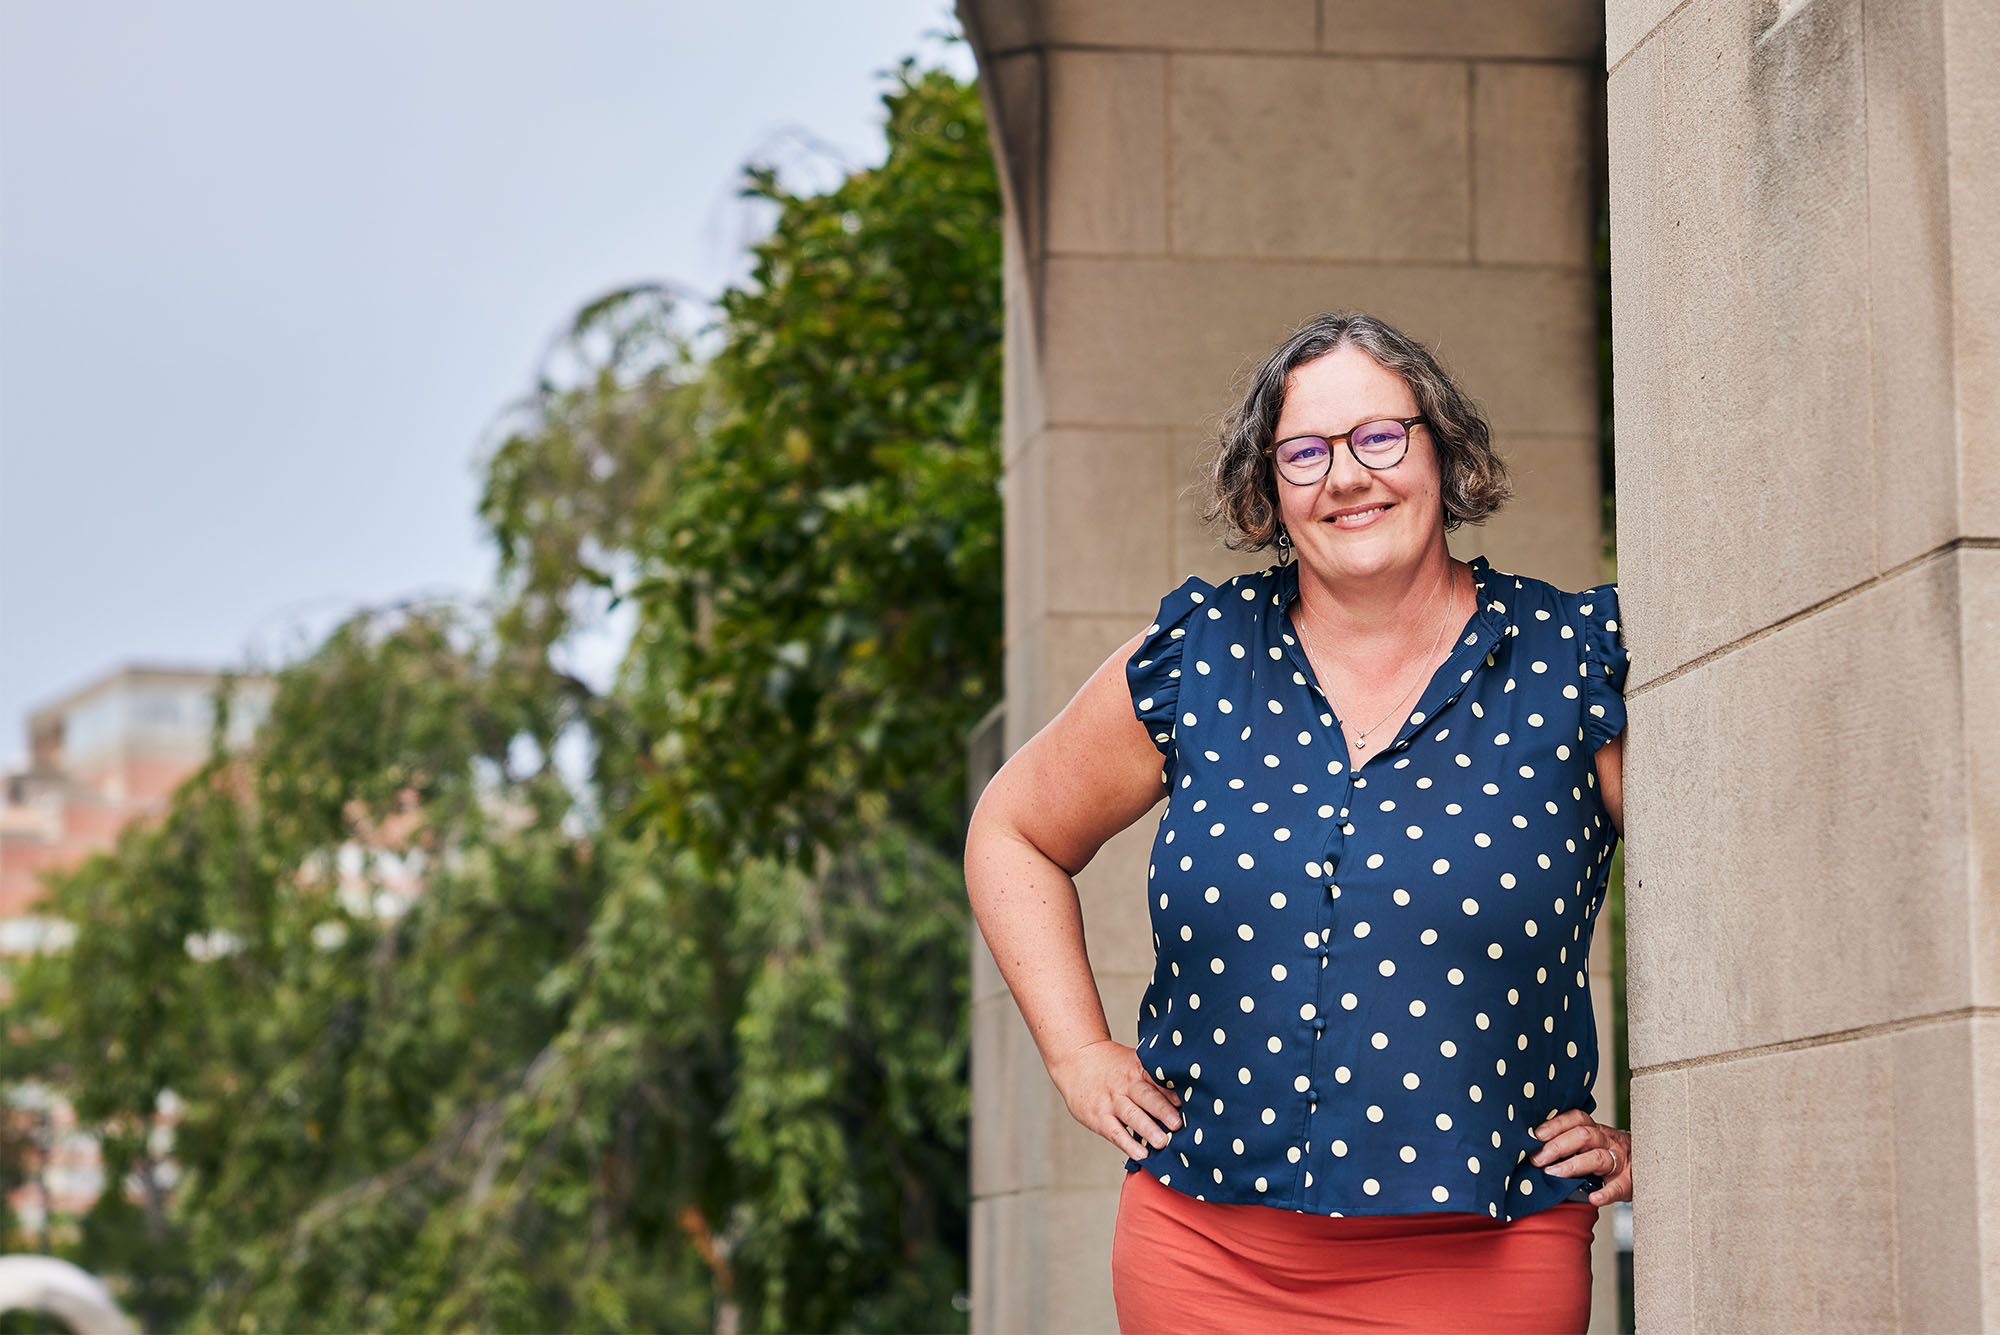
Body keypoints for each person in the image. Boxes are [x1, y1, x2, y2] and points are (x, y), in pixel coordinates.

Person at [963, 311, 1633, 1332]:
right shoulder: (1195, 660)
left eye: (1380, 437)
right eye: (1305, 452)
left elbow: (1732, 899)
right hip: (1204, 1260)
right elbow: (1011, 831)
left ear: (1442, 450)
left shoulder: (1570, 660)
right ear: (1268, 487)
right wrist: (1078, 1054)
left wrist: (1664, 1124)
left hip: (1488, 1258)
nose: (1347, 476)